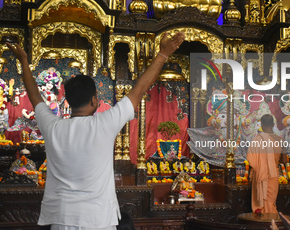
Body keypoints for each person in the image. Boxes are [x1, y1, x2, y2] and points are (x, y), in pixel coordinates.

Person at [7, 31, 185, 230]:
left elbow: (34, 96)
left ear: (68, 101)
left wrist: (24, 61)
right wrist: (163, 54)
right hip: (98, 220)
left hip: (61, 220)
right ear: (94, 101)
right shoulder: (104, 123)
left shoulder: (53, 127)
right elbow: (139, 89)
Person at [247, 114, 287, 214]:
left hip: (260, 176)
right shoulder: (280, 140)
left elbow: (251, 161)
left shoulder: (257, 140)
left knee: (261, 205)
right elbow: (284, 161)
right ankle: (272, 224)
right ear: (273, 124)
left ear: (261, 124)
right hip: (273, 175)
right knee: (270, 202)